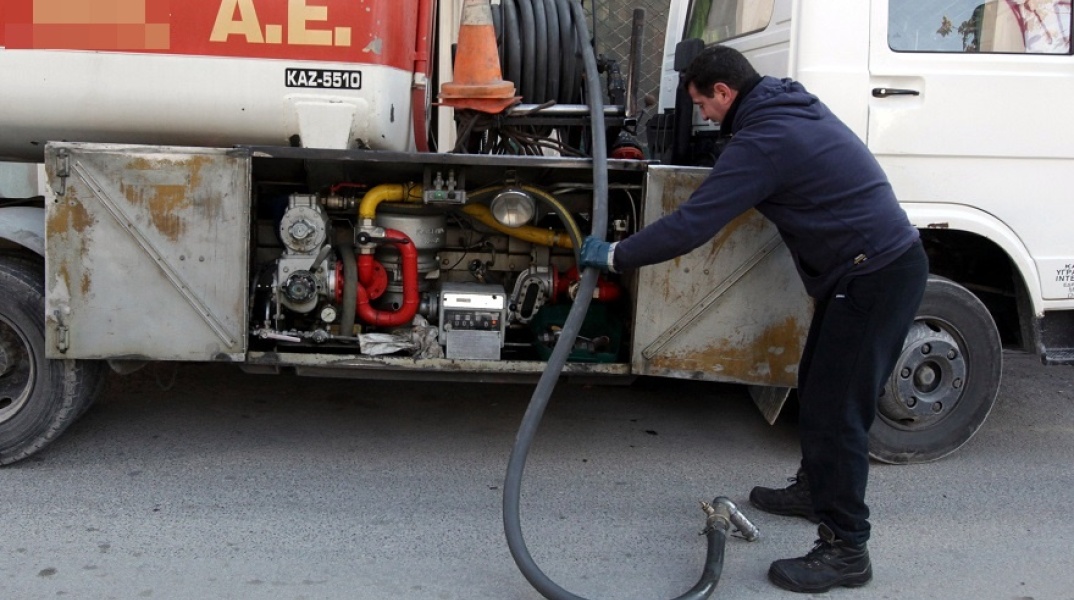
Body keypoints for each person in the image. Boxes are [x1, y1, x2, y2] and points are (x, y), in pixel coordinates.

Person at [579, 45, 928, 594]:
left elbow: (694, 223)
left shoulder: (767, 139)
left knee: (839, 414)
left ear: (724, 91)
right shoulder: (785, 106)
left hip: (875, 276)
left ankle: (846, 549)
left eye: (704, 105)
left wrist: (618, 255)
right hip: (865, 272)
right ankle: (815, 489)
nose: (706, 117)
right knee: (816, 391)